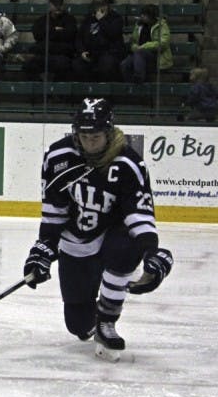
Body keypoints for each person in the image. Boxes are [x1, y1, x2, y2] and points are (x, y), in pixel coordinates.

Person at [23, 97, 173, 361]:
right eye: (84, 137)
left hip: (113, 235)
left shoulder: (128, 163)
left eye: (96, 137)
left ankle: (107, 321)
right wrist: (43, 249)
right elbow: (54, 212)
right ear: (75, 134)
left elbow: (139, 215)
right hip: (76, 241)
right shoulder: (58, 157)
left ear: (109, 132)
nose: (90, 143)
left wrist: (151, 251)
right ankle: (92, 320)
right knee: (78, 325)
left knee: (127, 244)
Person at [22, 0, 77, 82]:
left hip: (61, 56)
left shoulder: (70, 20)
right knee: (28, 65)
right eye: (55, 5)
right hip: (44, 55)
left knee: (64, 65)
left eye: (60, 5)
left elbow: (70, 35)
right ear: (50, 5)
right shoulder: (42, 20)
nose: (58, 7)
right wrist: (56, 31)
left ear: (63, 5)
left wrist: (49, 32)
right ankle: (39, 88)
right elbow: (37, 35)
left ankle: (57, 90)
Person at [72, 0, 125, 82]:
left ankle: (103, 89)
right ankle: (87, 89)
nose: (100, 8)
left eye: (103, 5)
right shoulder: (89, 19)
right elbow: (79, 38)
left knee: (106, 64)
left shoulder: (116, 18)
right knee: (77, 65)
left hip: (109, 52)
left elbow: (112, 34)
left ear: (108, 6)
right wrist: (82, 51)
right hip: (91, 53)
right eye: (97, 6)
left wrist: (101, 20)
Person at [120, 4, 171, 84]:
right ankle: (131, 86)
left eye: (144, 15)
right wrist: (134, 47)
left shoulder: (161, 25)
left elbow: (163, 43)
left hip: (156, 57)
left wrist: (144, 46)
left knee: (140, 53)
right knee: (125, 64)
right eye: (142, 14)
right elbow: (133, 41)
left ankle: (139, 79)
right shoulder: (139, 25)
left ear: (151, 16)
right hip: (138, 54)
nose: (142, 16)